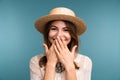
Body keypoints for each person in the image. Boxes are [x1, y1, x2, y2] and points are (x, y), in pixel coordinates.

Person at [30, 7, 92, 80]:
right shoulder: (35, 61)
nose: (59, 35)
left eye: (66, 30)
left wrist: (69, 66)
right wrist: (50, 64)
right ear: (47, 33)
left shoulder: (85, 61)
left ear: (72, 34)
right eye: (54, 29)